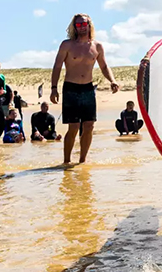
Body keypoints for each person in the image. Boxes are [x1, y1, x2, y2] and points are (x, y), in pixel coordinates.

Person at [50, 13, 120, 164]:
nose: (82, 27)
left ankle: (82, 161)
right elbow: (57, 66)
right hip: (71, 88)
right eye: (79, 24)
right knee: (73, 126)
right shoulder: (67, 45)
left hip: (88, 89)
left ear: (89, 25)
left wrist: (112, 80)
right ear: (74, 27)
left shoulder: (97, 46)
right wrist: (53, 88)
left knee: (89, 126)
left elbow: (104, 66)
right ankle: (66, 161)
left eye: (84, 24)